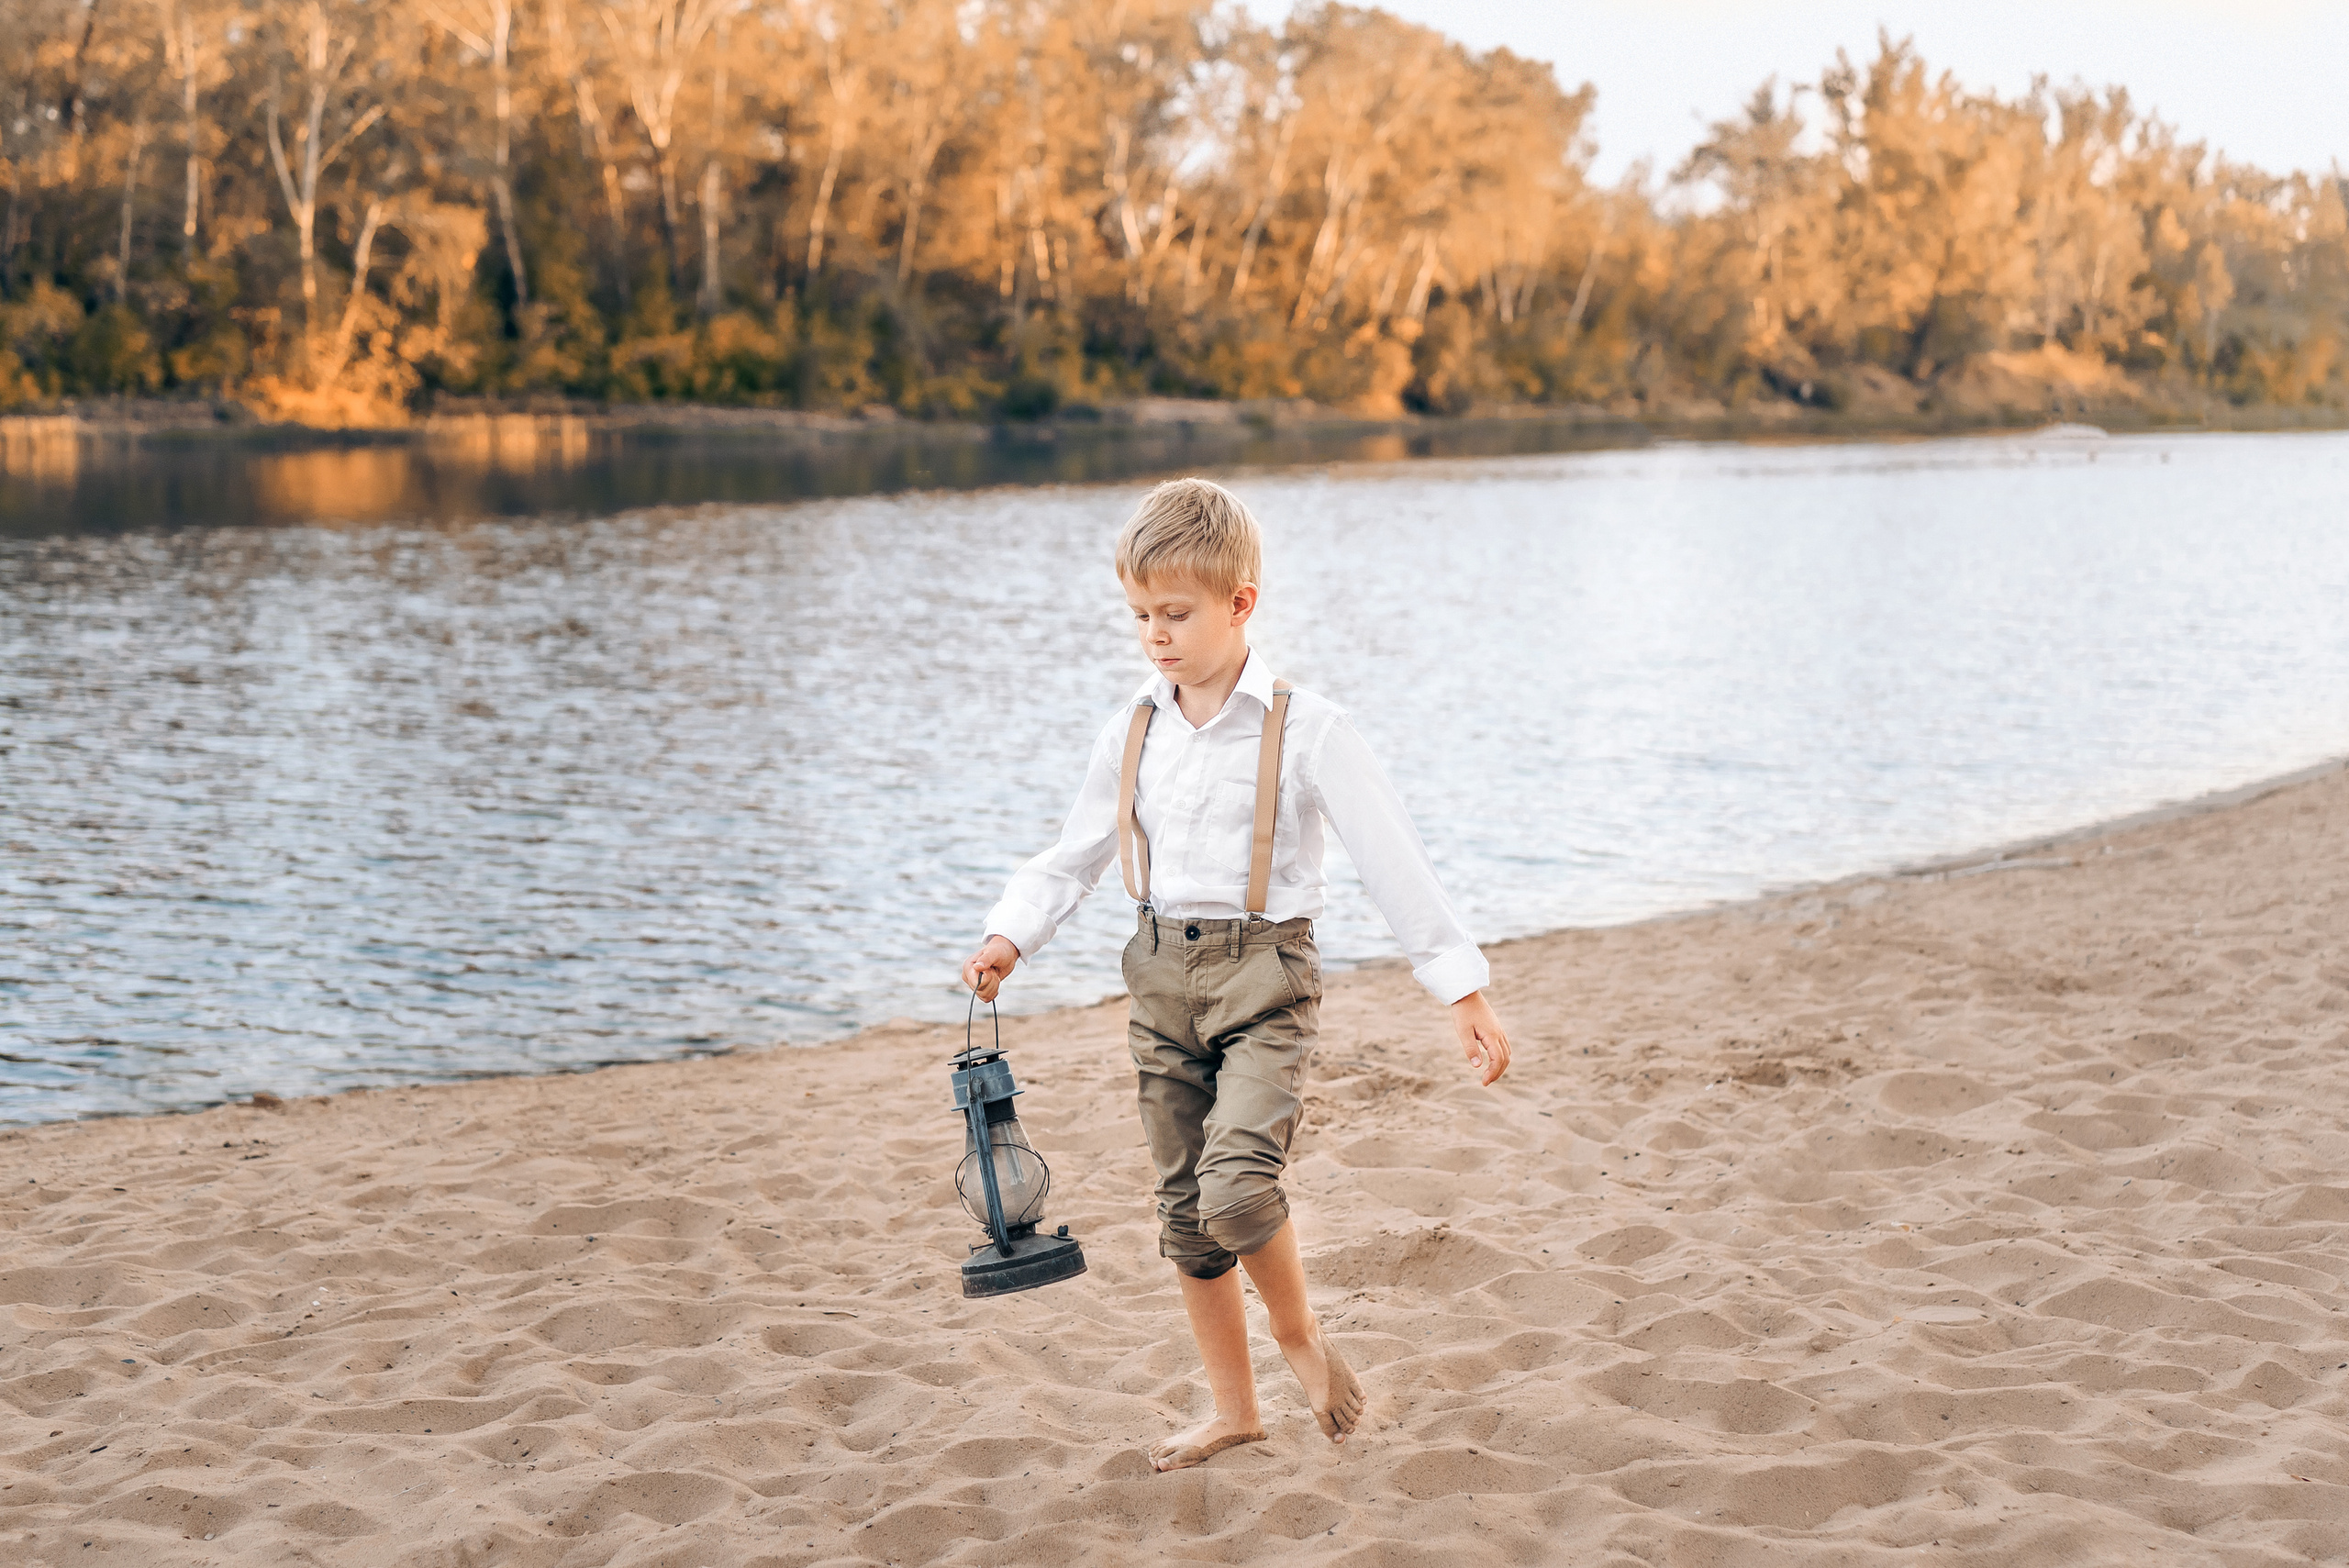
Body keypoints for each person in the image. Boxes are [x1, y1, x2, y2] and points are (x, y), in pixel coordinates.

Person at [961, 477, 1512, 1472]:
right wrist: (1012, 935)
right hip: (1160, 975)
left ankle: (1298, 1332)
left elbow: (1395, 863)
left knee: (1238, 1184)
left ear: (1239, 603)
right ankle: (1233, 1408)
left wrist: (1461, 990)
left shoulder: (1308, 728)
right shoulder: (1132, 725)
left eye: (1174, 613)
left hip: (1266, 978)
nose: (1154, 635)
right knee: (1185, 1212)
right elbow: (1075, 852)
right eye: (1138, 614)